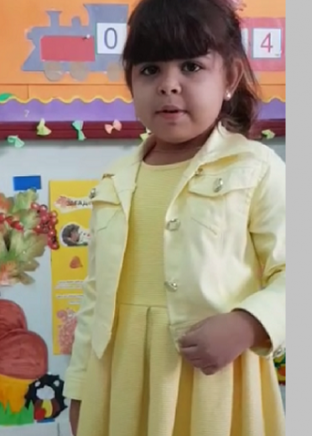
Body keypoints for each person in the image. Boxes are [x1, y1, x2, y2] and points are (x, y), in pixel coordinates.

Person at [63, 0, 286, 434]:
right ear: (130, 82)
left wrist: (248, 324)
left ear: (230, 77)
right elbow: (95, 297)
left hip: (216, 387)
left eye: (191, 67)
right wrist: (81, 389)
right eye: (150, 70)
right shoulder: (115, 179)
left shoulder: (257, 169)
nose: (168, 85)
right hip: (121, 383)